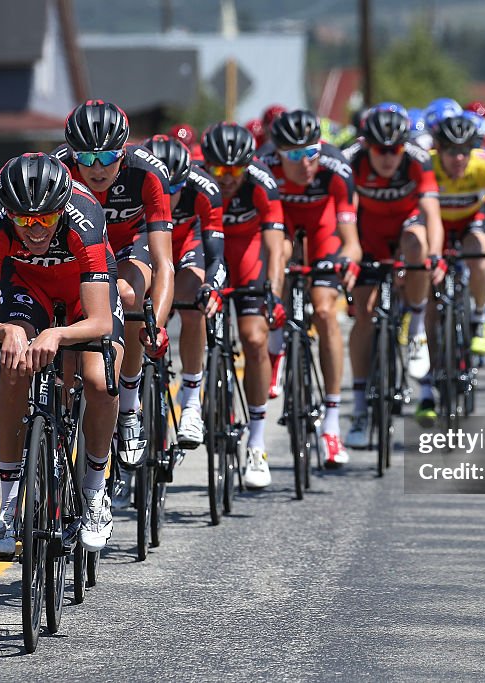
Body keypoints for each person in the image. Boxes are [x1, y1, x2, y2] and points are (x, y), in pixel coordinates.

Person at [0, 152, 125, 557]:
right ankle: (7, 506)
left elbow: (100, 322)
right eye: (23, 220)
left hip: (82, 295)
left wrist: (56, 334)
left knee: (97, 381)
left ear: (61, 209)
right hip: (28, 290)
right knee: (14, 365)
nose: (35, 229)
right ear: (8, 213)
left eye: (45, 219)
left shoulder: (84, 218)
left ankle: (94, 495)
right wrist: (7, 331)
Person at [54, 100, 174, 473]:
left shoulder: (147, 172)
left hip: (128, 245)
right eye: (86, 158)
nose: (97, 167)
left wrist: (158, 325)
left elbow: (165, 262)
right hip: (78, 249)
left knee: (127, 293)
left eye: (108, 156)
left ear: (124, 150)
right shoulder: (58, 171)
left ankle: (129, 402)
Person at [260, 109, 362, 466]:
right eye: (295, 155)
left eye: (312, 152)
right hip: (282, 226)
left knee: (323, 311)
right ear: (278, 153)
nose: (306, 162)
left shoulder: (335, 168)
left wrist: (347, 260)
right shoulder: (263, 165)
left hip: (323, 230)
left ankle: (331, 425)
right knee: (279, 256)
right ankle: (276, 345)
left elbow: (351, 239)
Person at [342, 104, 445, 448]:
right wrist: (352, 257)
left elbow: (432, 214)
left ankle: (416, 328)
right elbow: (347, 215)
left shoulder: (417, 159)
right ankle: (359, 409)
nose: (388, 157)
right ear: (367, 145)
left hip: (406, 229)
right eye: (380, 150)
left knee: (419, 244)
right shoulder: (351, 159)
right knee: (365, 315)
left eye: (394, 149)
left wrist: (435, 258)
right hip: (366, 236)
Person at [200, 122, 286, 488]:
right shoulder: (198, 180)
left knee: (253, 339)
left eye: (236, 170)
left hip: (248, 256)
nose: (229, 177)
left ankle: (256, 441)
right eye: (221, 170)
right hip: (207, 255)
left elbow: (275, 245)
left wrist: (275, 293)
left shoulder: (261, 181)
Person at [419, 113, 485, 424]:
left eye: (464, 151)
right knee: (431, 296)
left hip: (471, 222)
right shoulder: (426, 165)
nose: (458, 158)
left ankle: (480, 316)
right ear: (438, 150)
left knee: (480, 252)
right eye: (451, 151)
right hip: (438, 226)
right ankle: (430, 366)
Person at [143, 135, 226, 448]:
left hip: (184, 245)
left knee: (194, 301)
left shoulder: (204, 188)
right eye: (162, 188)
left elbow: (217, 254)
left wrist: (212, 287)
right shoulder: (133, 182)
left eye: (174, 189)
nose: (167, 195)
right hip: (146, 244)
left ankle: (191, 401)